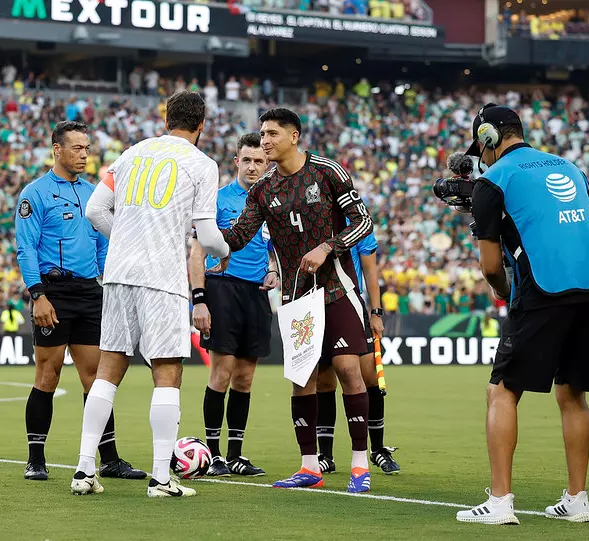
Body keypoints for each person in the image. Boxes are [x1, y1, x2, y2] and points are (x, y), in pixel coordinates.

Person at [456, 104, 589, 525]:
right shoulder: (571, 166)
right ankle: (577, 499)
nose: (481, 156)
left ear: (489, 137)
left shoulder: (494, 179)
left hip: (545, 286)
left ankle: (501, 502)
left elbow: (491, 267)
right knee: (571, 391)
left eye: (481, 147)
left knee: (502, 390)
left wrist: (507, 295)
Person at [77, 91, 230, 498]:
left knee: (108, 370)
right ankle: (162, 478)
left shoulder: (131, 153)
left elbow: (94, 210)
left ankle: (83, 470)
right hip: (162, 277)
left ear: (166, 119)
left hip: (118, 273)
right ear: (201, 125)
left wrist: (126, 241)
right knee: (167, 372)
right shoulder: (201, 163)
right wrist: (225, 252)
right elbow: (210, 235)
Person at [220, 108, 376, 493]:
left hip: (337, 288)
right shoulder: (263, 189)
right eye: (261, 134)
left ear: (294, 136)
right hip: (295, 296)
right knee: (302, 380)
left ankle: (360, 465)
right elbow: (238, 236)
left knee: (347, 369)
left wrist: (328, 247)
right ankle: (309, 467)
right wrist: (207, 233)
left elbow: (363, 222)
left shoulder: (327, 172)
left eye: (272, 133)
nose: (265, 141)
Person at [16, 120, 145, 482]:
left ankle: (110, 459)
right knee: (48, 375)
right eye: (76, 148)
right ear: (57, 149)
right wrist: (37, 294)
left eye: (86, 148)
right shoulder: (35, 193)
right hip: (53, 293)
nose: (84, 154)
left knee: (97, 377)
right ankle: (36, 459)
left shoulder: (94, 193)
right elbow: (25, 247)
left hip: (91, 292)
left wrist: (112, 283)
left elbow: (105, 243)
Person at [189, 133, 279, 477]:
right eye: (248, 160)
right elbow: (197, 251)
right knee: (222, 374)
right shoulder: (217, 200)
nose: (253, 166)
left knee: (245, 379)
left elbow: (273, 248)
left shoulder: (271, 202)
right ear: (236, 162)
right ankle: (212, 455)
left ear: (266, 163)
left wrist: (272, 269)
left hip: (256, 294)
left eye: (259, 160)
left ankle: (236, 454)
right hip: (222, 290)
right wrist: (199, 299)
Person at [315, 228, 400, 475]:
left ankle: (378, 449)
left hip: (351, 305)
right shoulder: (316, 215)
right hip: (316, 304)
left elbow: (371, 271)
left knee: (369, 376)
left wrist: (376, 312)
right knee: (324, 381)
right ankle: (326, 455)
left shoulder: (358, 223)